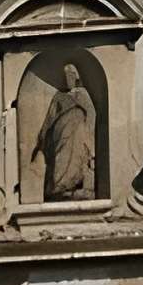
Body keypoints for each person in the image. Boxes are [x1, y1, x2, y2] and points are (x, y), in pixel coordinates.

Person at [33, 62, 97, 200]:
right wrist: (42, 138)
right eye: (66, 76)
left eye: (71, 76)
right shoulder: (59, 96)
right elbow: (50, 119)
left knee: (77, 161)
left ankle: (73, 186)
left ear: (76, 77)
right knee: (61, 161)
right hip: (61, 138)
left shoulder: (83, 94)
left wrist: (90, 140)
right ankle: (59, 187)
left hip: (79, 137)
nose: (68, 79)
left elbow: (92, 115)